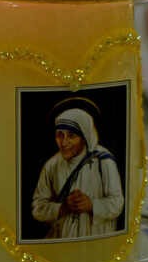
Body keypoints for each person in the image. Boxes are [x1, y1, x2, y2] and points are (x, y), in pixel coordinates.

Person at [31, 98, 125, 239]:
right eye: (59, 135)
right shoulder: (52, 165)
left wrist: (91, 205)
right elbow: (38, 208)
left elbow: (117, 203)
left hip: (96, 241)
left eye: (71, 136)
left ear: (84, 137)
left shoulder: (103, 161)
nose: (63, 142)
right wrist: (62, 208)